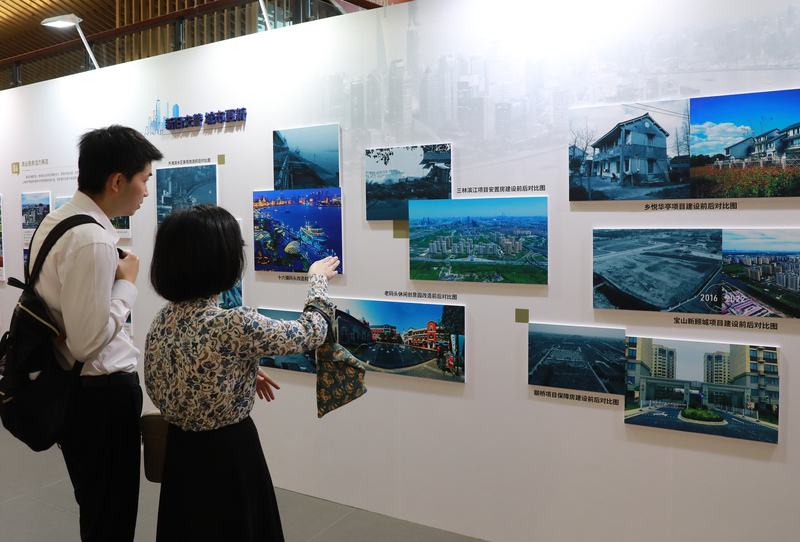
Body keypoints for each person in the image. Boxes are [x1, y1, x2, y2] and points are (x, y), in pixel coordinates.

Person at [145, 204, 339, 542]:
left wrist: (237, 374)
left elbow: (165, 380)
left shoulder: (163, 318)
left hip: (181, 452)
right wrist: (317, 280)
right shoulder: (234, 323)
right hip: (229, 454)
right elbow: (311, 332)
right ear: (220, 259)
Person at [29, 125, 163, 541]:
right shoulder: (93, 240)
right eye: (143, 179)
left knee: (99, 507)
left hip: (77, 394)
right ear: (117, 180)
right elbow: (88, 342)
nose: (145, 191)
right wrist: (128, 284)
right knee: (112, 515)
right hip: (99, 397)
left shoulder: (57, 221)